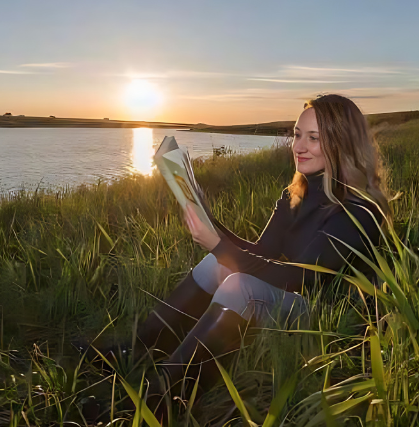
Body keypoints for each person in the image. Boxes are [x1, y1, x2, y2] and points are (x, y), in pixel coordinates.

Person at [134, 94, 393, 416]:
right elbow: (262, 253)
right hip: (293, 295)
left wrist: (216, 243)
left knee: (238, 284)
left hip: (324, 317)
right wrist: (208, 219)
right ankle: (138, 350)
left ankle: (160, 401)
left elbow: (301, 279)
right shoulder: (296, 194)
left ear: (341, 143)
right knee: (217, 264)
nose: (299, 146)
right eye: (298, 135)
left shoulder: (358, 209)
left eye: (314, 138)